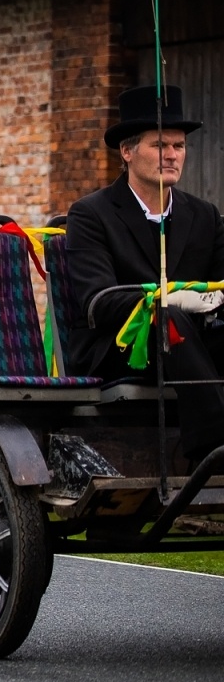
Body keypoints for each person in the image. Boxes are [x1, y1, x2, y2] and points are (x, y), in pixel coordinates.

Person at [65, 84, 224, 462]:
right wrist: (163, 299)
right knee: (168, 318)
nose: (171, 156)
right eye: (159, 145)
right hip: (118, 347)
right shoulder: (91, 214)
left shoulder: (204, 215)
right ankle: (213, 444)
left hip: (195, 343)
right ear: (127, 151)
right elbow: (96, 302)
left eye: (179, 146)